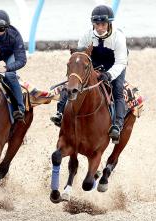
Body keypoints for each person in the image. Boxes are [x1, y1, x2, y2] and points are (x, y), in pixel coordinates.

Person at [50, 5, 128, 143]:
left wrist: (109, 75)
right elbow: (80, 56)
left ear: (109, 23)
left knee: (118, 91)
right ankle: (60, 112)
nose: (99, 27)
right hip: (93, 65)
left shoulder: (119, 37)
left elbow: (121, 62)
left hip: (115, 67)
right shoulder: (87, 35)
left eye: (103, 24)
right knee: (72, 83)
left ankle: (117, 125)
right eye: (96, 24)